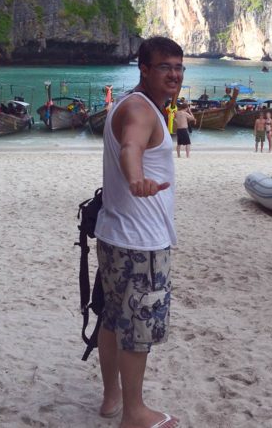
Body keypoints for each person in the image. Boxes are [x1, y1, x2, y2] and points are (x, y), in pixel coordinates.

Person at [94, 36, 182, 428]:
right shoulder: (141, 111)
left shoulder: (130, 103)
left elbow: (131, 145)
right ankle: (134, 412)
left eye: (179, 68)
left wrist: (136, 177)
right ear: (144, 69)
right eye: (165, 67)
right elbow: (131, 146)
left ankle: (111, 397)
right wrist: (136, 180)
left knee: (113, 319)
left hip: (113, 236)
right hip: (141, 244)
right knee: (138, 330)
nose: (175, 75)